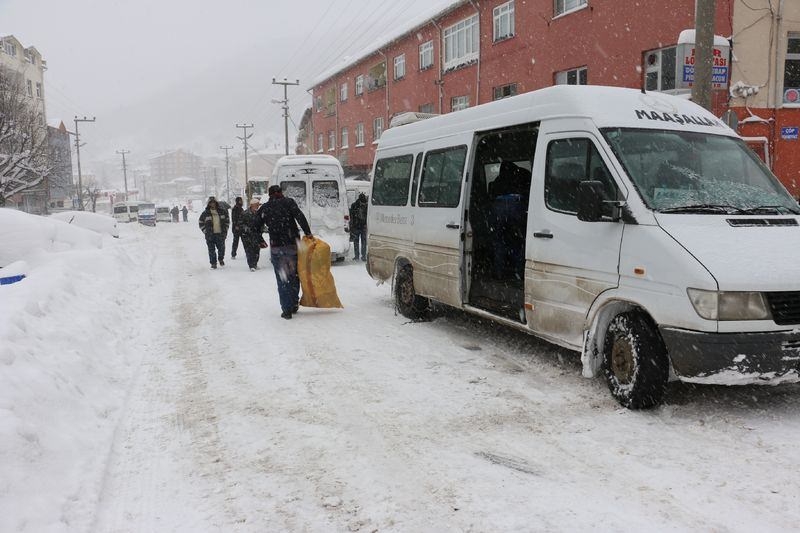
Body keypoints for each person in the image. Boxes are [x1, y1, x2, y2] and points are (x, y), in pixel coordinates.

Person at [256, 185, 312, 319]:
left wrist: (260, 239)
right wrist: (308, 233)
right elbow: (300, 217)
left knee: (283, 278)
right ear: (281, 192)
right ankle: (293, 303)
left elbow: (255, 225)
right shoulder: (289, 202)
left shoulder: (265, 208)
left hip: (277, 247)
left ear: (269, 195)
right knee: (294, 275)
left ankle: (286, 309)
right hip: (293, 245)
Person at [198, 197, 230, 269]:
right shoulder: (205, 213)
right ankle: (213, 263)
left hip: (220, 234)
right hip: (210, 235)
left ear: (216, 203)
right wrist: (205, 231)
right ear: (209, 204)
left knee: (221, 249)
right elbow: (201, 223)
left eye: (214, 202)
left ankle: (221, 259)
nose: (212, 204)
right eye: (211, 202)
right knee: (211, 250)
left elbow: (227, 221)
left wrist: (226, 229)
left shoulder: (222, 211)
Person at [241, 198, 266, 271]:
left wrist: (263, 228)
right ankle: (251, 265)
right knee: (249, 250)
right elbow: (241, 224)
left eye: (258, 205)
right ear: (252, 205)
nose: (258, 206)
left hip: (257, 235)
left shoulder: (260, 213)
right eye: (256, 205)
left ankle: (255, 263)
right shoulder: (245, 213)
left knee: (257, 250)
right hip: (247, 236)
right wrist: (247, 229)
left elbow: (262, 223)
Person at [349, 192, 368, 261]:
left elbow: (351, 216)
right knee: (363, 242)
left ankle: (358, 256)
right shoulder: (365, 205)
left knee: (357, 242)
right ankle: (362, 256)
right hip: (361, 226)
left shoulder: (354, 205)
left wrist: (352, 225)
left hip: (357, 226)